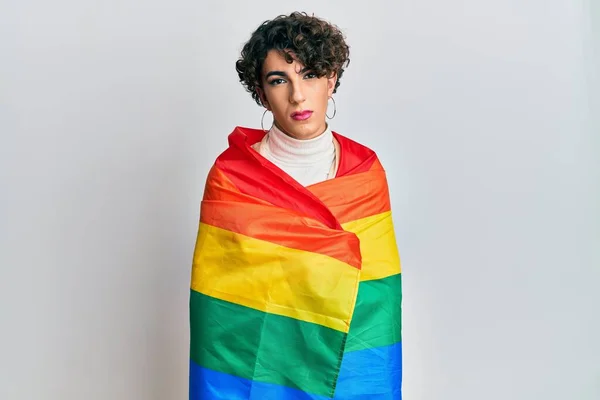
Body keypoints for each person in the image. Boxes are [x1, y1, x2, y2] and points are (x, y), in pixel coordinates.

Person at [189, 12, 402, 399]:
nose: (297, 95)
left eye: (309, 75)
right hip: (259, 365)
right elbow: (219, 311)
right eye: (278, 80)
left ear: (331, 79)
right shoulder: (232, 177)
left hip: (348, 360)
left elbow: (378, 297)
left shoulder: (365, 174)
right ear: (261, 90)